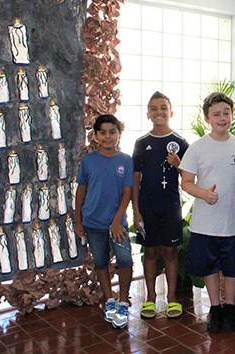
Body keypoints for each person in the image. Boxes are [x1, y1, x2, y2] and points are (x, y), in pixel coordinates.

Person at [180, 92, 235, 333]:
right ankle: (215, 308)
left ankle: (231, 309)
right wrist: (202, 193)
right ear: (207, 118)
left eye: (226, 113)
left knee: (232, 268)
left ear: (232, 115)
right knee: (209, 267)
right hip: (205, 223)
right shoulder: (197, 147)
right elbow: (186, 182)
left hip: (234, 221)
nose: (222, 118)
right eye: (216, 114)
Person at [132, 91, 189, 319]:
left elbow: (189, 178)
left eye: (163, 107)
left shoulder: (181, 143)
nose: (159, 112)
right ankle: (150, 299)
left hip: (171, 208)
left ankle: (172, 298)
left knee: (171, 251)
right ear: (148, 114)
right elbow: (135, 180)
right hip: (147, 207)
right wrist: (135, 211)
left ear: (171, 112)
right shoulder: (141, 143)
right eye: (154, 108)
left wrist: (178, 164)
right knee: (150, 252)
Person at [75, 114, 134, 329]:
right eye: (103, 132)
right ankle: (109, 299)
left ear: (119, 134)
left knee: (125, 260)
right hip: (93, 223)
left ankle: (124, 300)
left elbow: (127, 193)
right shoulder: (89, 160)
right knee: (100, 262)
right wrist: (78, 222)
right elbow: (81, 191)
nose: (108, 136)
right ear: (95, 135)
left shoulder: (126, 160)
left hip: (118, 224)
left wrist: (117, 221)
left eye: (112, 132)